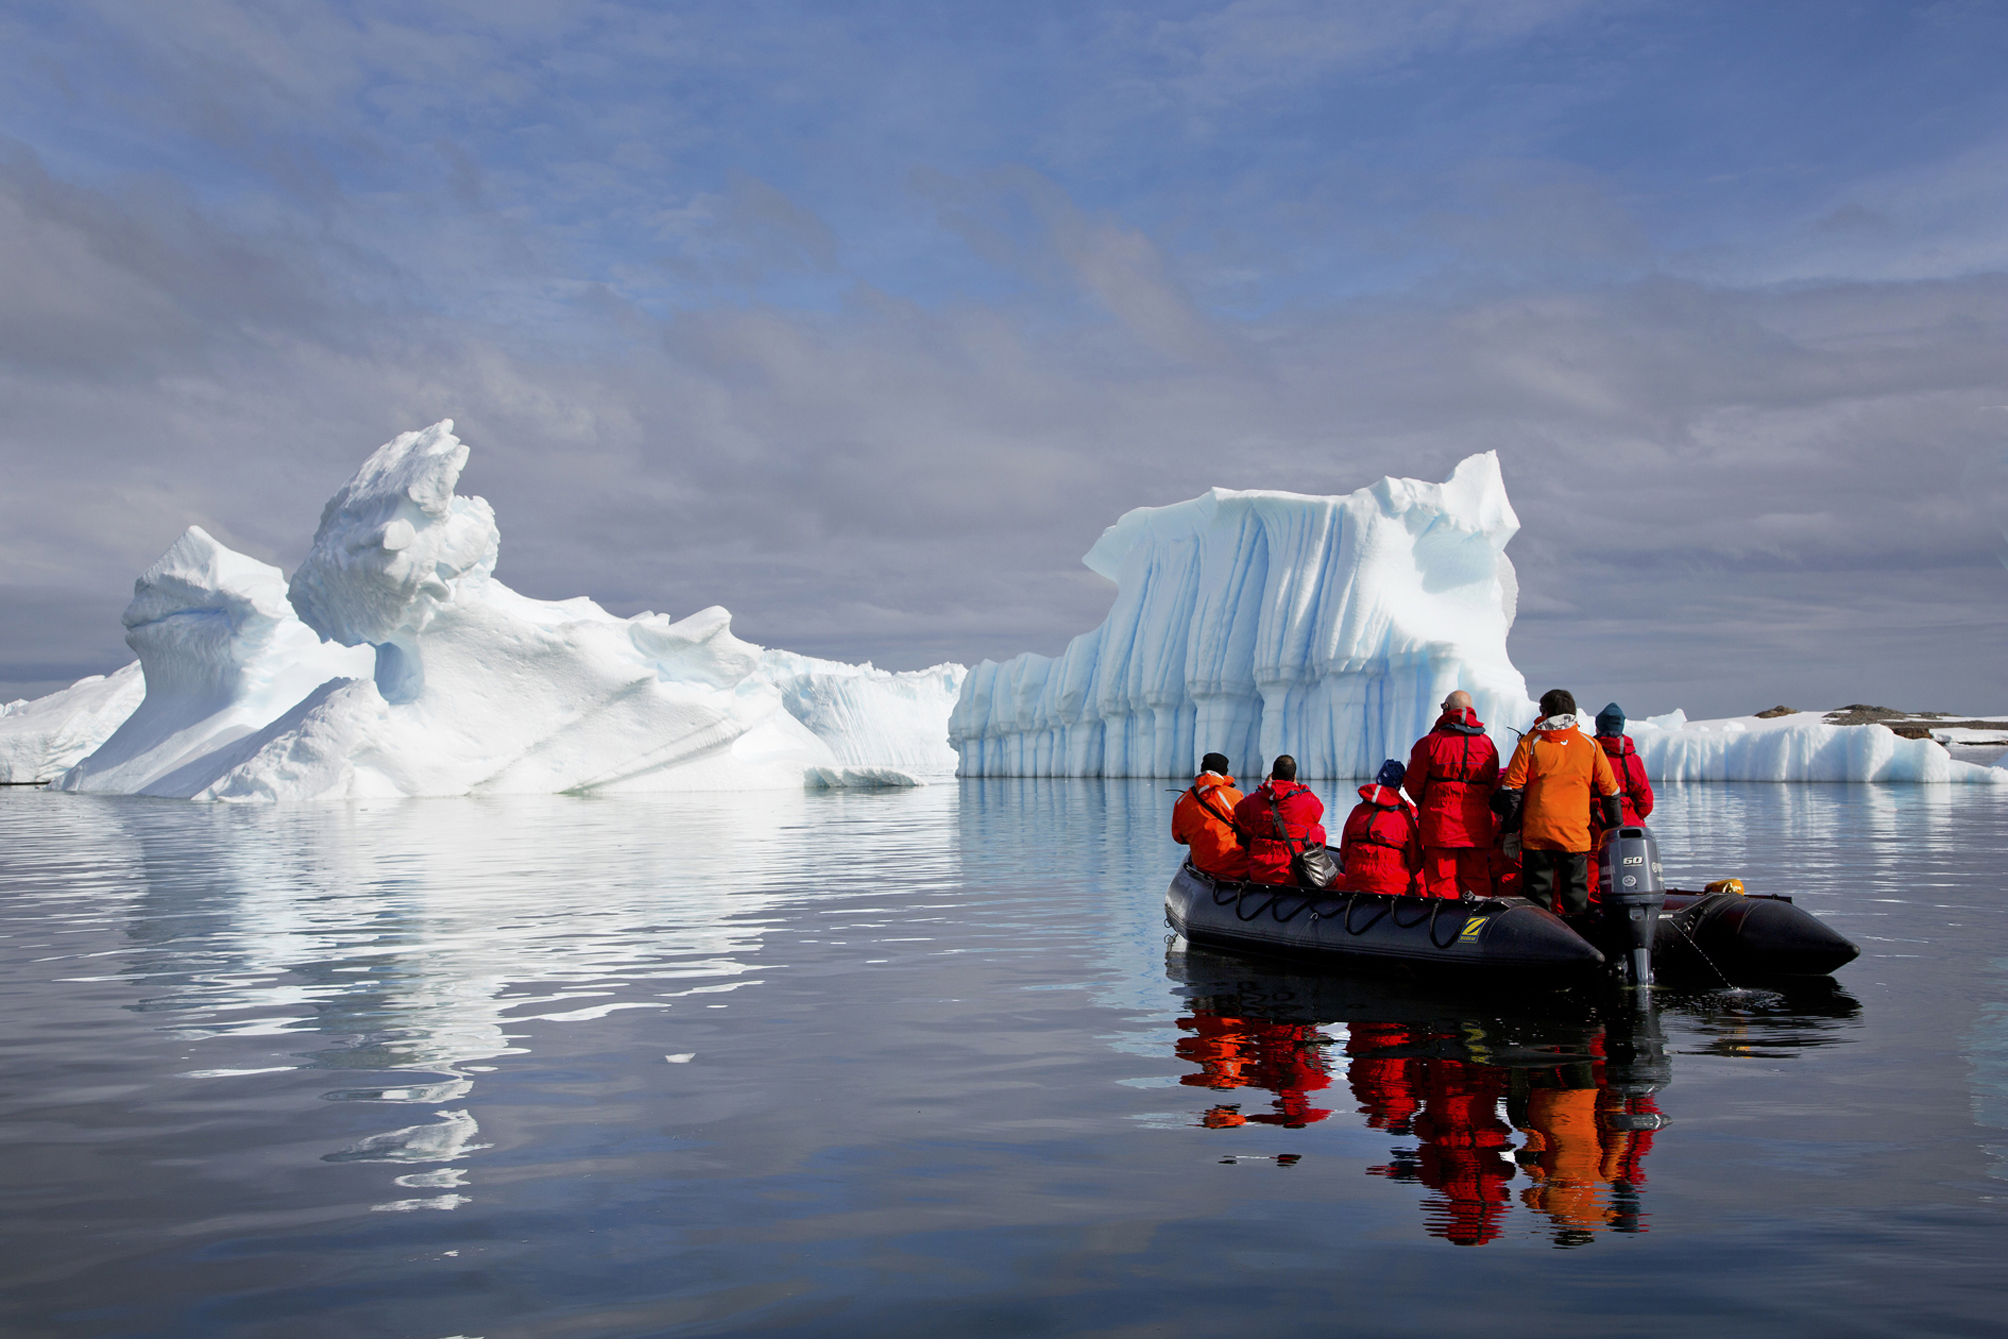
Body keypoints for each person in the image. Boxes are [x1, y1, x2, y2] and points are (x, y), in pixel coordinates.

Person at [1493, 688, 1621, 916]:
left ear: (1546, 712)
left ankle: (1542, 941)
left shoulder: (1530, 743)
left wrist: (1510, 832)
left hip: (1537, 835)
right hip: (1575, 836)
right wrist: (1614, 831)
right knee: (1576, 896)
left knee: (1538, 897)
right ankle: (1579, 940)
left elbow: (1511, 788)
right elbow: (1610, 792)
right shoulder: (1590, 745)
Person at [1405, 690, 1500, 899]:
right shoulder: (1487, 745)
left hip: (1439, 823)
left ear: (1446, 709)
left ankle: (1444, 925)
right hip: (1476, 826)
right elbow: (1493, 783)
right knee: (1477, 879)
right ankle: (1477, 924)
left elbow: (1413, 783)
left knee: (1441, 880)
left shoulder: (1431, 742)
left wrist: (1428, 803)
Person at [1587, 704, 1655, 900]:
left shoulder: (1591, 755)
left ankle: (1588, 920)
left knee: (1592, 876)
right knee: (1631, 875)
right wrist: (1631, 816)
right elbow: (1646, 802)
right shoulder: (1634, 759)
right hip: (1633, 829)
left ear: (1598, 728)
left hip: (1597, 826)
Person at [1232, 755, 1327, 887]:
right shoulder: (1306, 801)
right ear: (1294, 777)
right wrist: (1299, 787)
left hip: (1259, 871)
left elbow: (1239, 813)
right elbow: (1317, 812)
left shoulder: (1255, 800)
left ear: (1272, 774)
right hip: (1292, 873)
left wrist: (1262, 789)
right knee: (1316, 830)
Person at [1338, 759, 1423, 895]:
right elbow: (1416, 863)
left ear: (1378, 778)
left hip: (1355, 883)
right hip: (1393, 888)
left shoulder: (1357, 811)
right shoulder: (1405, 817)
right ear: (1399, 784)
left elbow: (1344, 853)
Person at [1172, 752, 1249, 880]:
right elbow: (1249, 828)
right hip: (1235, 866)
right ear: (1224, 771)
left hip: (1202, 866)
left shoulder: (1182, 801)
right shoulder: (1233, 796)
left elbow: (1179, 837)